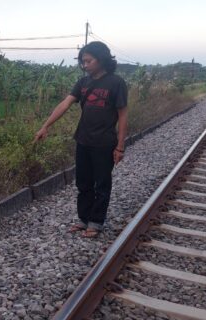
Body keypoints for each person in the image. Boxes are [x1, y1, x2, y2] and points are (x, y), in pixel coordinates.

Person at [33, 41, 128, 238]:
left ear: (101, 59)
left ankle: (96, 222)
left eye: (88, 61)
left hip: (104, 143)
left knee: (101, 184)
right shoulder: (83, 83)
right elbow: (65, 104)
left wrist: (120, 146)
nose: (84, 65)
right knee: (83, 183)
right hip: (83, 141)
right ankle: (83, 219)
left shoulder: (116, 83)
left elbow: (122, 115)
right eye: (82, 62)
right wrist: (46, 126)